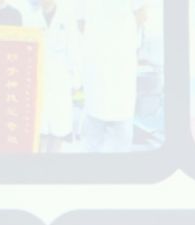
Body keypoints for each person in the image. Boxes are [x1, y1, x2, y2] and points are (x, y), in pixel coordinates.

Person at [78, 0, 141, 151]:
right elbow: (80, 22)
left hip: (122, 63)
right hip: (97, 64)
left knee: (121, 130)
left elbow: (142, 13)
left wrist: (123, 38)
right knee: (93, 129)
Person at [32, 0, 80, 151]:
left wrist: (76, 82)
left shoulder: (66, 18)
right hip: (38, 82)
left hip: (61, 82)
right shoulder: (32, 18)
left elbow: (74, 50)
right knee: (40, 132)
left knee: (58, 131)